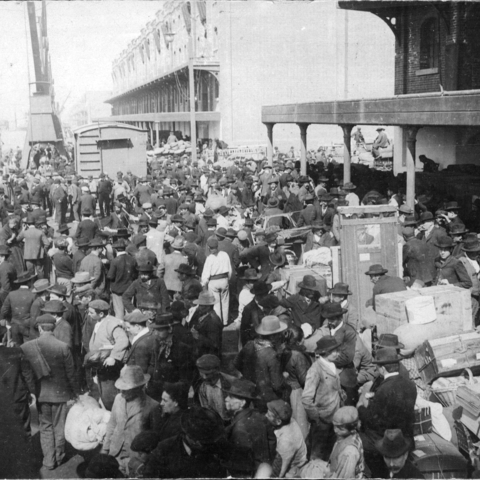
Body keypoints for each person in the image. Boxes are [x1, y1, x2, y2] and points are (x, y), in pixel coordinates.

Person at [21, 314, 79, 470]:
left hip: (41, 394)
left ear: (39, 328)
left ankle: (49, 460)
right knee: (59, 425)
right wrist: (75, 393)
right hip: (61, 395)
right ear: (53, 328)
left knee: (45, 427)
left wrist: (31, 392)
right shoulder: (63, 346)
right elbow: (71, 374)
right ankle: (60, 457)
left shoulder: (27, 347)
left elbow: (26, 374)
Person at [357, 347, 417, 478]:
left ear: (382, 368)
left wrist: (361, 407)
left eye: (377, 367)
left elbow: (372, 420)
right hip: (405, 438)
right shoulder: (410, 385)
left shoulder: (383, 389)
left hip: (387, 439)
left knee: (359, 438)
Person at [143, 406, 230, 478]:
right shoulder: (163, 451)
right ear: (188, 436)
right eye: (201, 441)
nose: (205, 445)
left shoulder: (215, 447)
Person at [101, 366, 158, 476]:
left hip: (136, 458)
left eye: (126, 389)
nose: (121, 391)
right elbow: (112, 424)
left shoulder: (153, 406)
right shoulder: (118, 399)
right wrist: (105, 449)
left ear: (138, 388)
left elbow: (154, 438)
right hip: (115, 453)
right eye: (121, 388)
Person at [302, 336, 344, 461]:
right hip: (322, 420)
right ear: (324, 352)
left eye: (337, 350)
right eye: (334, 351)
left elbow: (335, 387)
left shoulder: (332, 364)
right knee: (317, 453)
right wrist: (316, 418)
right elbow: (306, 399)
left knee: (331, 450)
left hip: (335, 416)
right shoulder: (315, 370)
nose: (338, 353)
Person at [234, 315, 290, 407]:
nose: (280, 336)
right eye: (279, 334)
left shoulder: (249, 344)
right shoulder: (271, 355)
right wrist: (285, 376)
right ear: (273, 337)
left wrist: (249, 375)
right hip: (267, 399)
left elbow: (236, 363)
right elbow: (277, 385)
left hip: (250, 393)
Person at [224, 378, 276, 469]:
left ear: (242, 403)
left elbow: (242, 463)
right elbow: (272, 442)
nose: (226, 399)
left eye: (231, 397)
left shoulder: (239, 430)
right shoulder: (260, 416)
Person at [87, 299, 129, 410]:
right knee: (103, 393)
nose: (89, 315)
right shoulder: (99, 322)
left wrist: (113, 357)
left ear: (101, 314)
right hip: (101, 364)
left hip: (110, 366)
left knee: (109, 395)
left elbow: (123, 341)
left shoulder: (112, 323)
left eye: (91, 313)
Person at [149, 313, 193, 400]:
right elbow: (153, 364)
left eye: (160, 330)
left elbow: (185, 380)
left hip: (174, 396)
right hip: (158, 392)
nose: (156, 333)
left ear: (169, 329)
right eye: (155, 330)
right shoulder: (157, 344)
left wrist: (165, 386)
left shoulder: (182, 349)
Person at [280, 325, 312, 439]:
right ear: (300, 340)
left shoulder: (284, 350)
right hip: (297, 392)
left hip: (287, 390)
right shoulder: (297, 355)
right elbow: (304, 379)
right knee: (301, 427)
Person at [266, 399, 308, 478]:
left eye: (269, 415)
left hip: (293, 469)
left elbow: (278, 473)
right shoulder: (289, 420)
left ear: (278, 421)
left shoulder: (286, 441)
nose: (265, 416)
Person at [325, 406, 365, 479]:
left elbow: (345, 477)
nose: (335, 430)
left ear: (352, 429)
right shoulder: (347, 436)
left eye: (340, 429)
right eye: (334, 426)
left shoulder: (349, 452)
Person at [0, 270, 37, 346]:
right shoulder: (33, 295)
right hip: (28, 327)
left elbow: (4, 311)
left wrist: (10, 320)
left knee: (17, 349)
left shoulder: (11, 294)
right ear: (29, 281)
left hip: (15, 326)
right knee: (28, 349)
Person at [201, 236, 232, 325]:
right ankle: (225, 321)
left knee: (216, 303)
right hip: (224, 280)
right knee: (225, 301)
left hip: (213, 282)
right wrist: (227, 280)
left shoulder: (210, 258)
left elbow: (206, 274)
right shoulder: (224, 254)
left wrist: (204, 283)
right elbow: (230, 270)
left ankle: (217, 322)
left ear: (209, 247)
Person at [107, 238, 137, 320]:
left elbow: (110, 276)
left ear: (115, 249)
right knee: (129, 310)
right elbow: (135, 274)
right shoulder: (132, 260)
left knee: (119, 312)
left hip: (117, 290)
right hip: (130, 289)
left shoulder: (115, 261)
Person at [124, 311, 156, 377]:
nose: (127, 330)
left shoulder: (141, 345)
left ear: (138, 327)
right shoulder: (149, 334)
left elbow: (141, 369)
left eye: (128, 327)